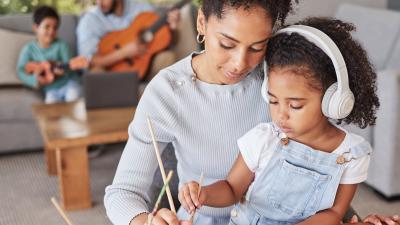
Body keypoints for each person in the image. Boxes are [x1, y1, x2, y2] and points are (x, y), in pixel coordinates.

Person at [104, 1, 399, 225]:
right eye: (227, 44)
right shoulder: (167, 92)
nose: (240, 64)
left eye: (258, 47)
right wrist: (144, 221)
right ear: (202, 22)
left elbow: (320, 166)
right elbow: (122, 193)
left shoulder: (280, 79)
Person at [178, 17, 380, 225]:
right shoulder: (264, 138)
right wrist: (204, 194)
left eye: (295, 105)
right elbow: (231, 189)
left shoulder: (351, 153)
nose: (280, 115)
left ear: (333, 101)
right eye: (273, 101)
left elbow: (333, 214)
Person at [76, 0, 180, 72]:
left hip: (143, 66)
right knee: (96, 73)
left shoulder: (142, 7)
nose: (99, 2)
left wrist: (172, 28)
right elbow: (89, 61)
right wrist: (123, 53)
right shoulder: (89, 21)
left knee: (167, 57)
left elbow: (165, 40)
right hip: (110, 72)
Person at [17, 6, 81, 104]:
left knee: (73, 98)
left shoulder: (62, 46)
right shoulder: (29, 49)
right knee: (50, 110)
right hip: (50, 90)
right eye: (47, 27)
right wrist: (34, 80)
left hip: (68, 84)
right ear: (36, 27)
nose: (51, 31)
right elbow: (20, 70)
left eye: (55, 28)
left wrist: (63, 71)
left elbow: (70, 66)